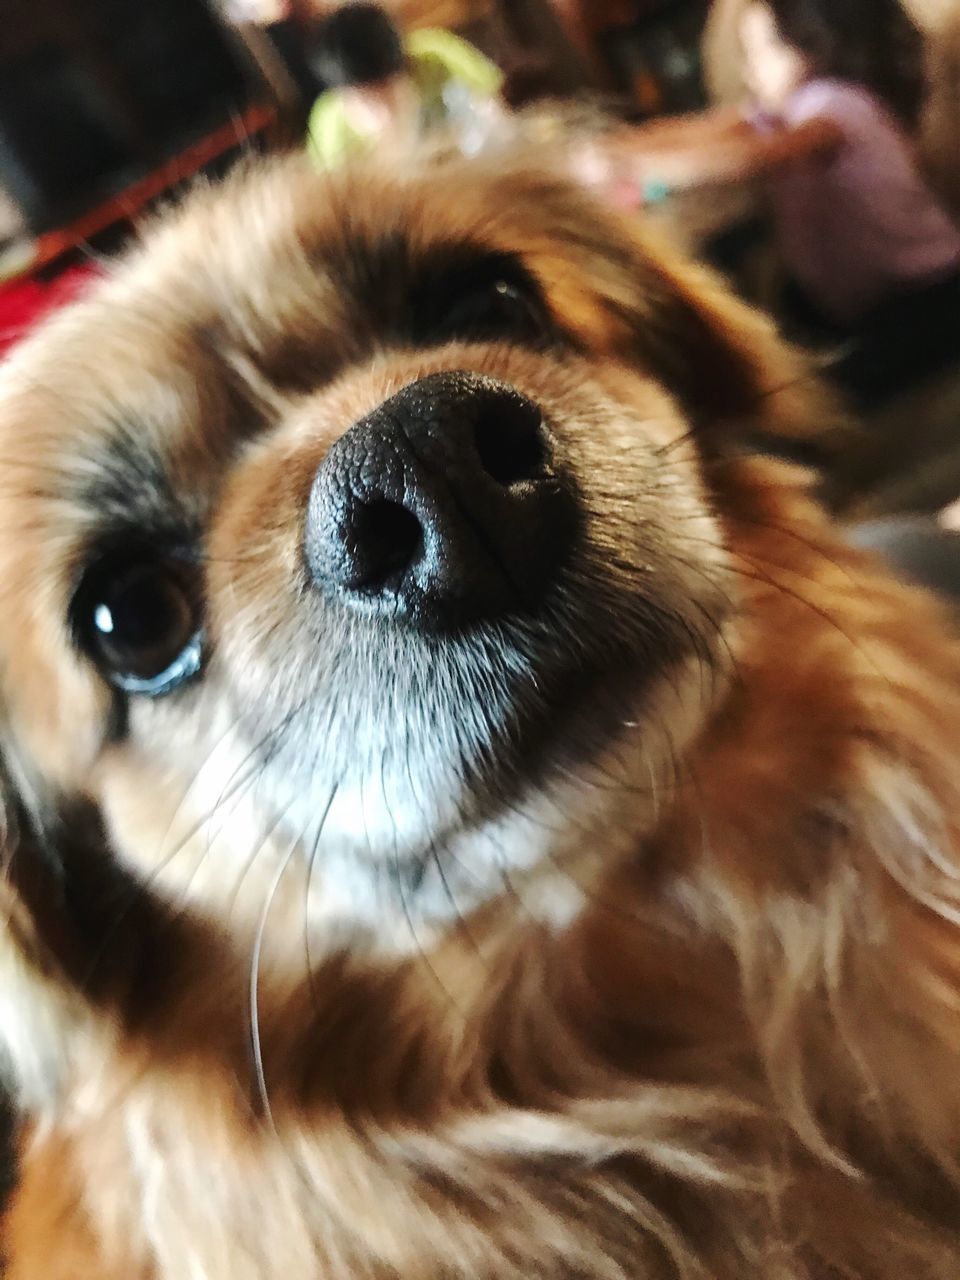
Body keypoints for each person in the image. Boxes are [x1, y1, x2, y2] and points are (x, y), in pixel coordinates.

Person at [627, 0, 960, 412]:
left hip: (933, 295)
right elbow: (709, 127)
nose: (751, 70)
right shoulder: (783, 110)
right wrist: (617, 148)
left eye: (763, 50)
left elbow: (759, 156)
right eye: (746, 55)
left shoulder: (832, 103)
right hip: (874, 304)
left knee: (827, 401)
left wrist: (647, 171)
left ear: (804, 45)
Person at [305, 2, 504, 169]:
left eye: (385, 88)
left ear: (405, 64)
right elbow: (338, 198)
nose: (381, 109)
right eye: (365, 98)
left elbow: (500, 99)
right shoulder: (330, 124)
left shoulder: (435, 57)